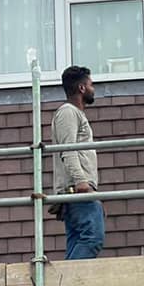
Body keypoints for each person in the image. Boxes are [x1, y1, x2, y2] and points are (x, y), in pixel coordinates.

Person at [51, 66, 104, 260]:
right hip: (77, 189)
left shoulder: (74, 114)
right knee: (92, 238)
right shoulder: (68, 112)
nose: (93, 88)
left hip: (77, 189)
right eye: (91, 84)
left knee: (79, 240)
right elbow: (68, 149)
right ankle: (69, 285)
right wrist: (82, 182)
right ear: (82, 88)